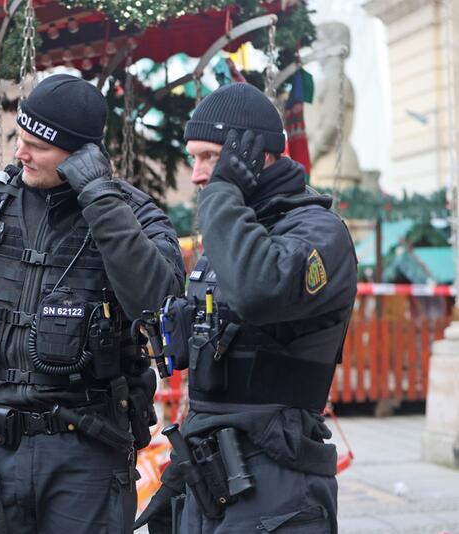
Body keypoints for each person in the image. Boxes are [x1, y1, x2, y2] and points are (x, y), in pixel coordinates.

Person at [0, 73, 185, 534]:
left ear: (82, 154)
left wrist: (100, 202)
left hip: (86, 458)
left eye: (38, 145)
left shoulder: (133, 217)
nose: (21, 153)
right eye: (20, 137)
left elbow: (159, 305)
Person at [135, 83, 357, 533]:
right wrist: (178, 480)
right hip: (213, 477)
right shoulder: (236, 230)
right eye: (193, 158)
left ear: (258, 156)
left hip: (277, 480)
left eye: (210, 157)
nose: (198, 175)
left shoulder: (318, 232)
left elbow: (259, 290)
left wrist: (222, 192)